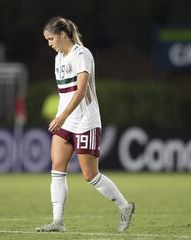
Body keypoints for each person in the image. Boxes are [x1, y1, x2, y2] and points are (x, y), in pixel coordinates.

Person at [36, 16, 135, 233]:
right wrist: (61, 118)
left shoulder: (82, 54)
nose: (49, 44)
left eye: (51, 38)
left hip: (85, 122)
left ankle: (124, 206)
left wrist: (61, 116)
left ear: (63, 35)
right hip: (65, 122)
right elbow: (65, 93)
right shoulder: (59, 59)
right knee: (57, 169)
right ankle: (58, 221)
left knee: (90, 175)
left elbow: (81, 91)